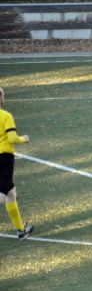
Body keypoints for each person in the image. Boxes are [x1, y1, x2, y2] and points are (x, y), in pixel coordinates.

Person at [0, 87, 33, 239]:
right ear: (0, 98)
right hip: (4, 158)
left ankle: (20, 229)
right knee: (4, 193)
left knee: (11, 192)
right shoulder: (5, 116)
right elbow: (12, 139)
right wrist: (24, 139)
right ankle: (20, 230)